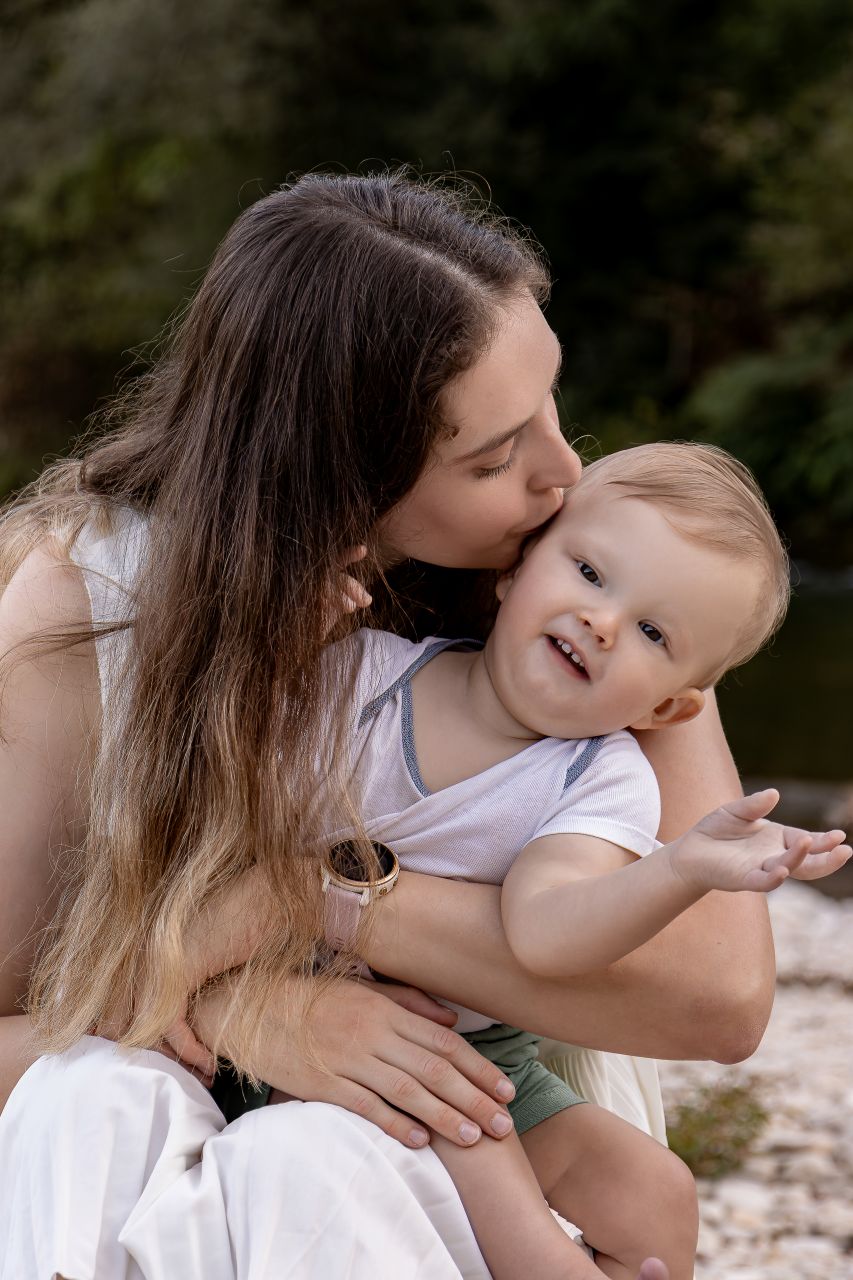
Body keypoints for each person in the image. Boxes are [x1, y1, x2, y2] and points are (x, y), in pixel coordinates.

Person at [0, 172, 774, 1280]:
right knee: (129, 1111)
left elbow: (720, 996)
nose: (565, 470)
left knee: (324, 1163)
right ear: (340, 483)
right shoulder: (85, 605)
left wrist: (322, 897)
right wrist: (248, 1014)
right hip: (159, 1149)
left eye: (551, 404)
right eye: (496, 456)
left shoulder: (594, 584)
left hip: (464, 1133)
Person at [294, 441, 848, 1280]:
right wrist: (282, 644)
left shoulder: (598, 780)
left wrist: (680, 868)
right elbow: (227, 799)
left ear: (669, 705)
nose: (602, 621)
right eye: (590, 574)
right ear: (512, 573)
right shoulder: (361, 678)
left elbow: (546, 934)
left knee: (657, 1194)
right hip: (304, 1018)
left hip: (483, 1050)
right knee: (512, 1215)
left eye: (653, 631)